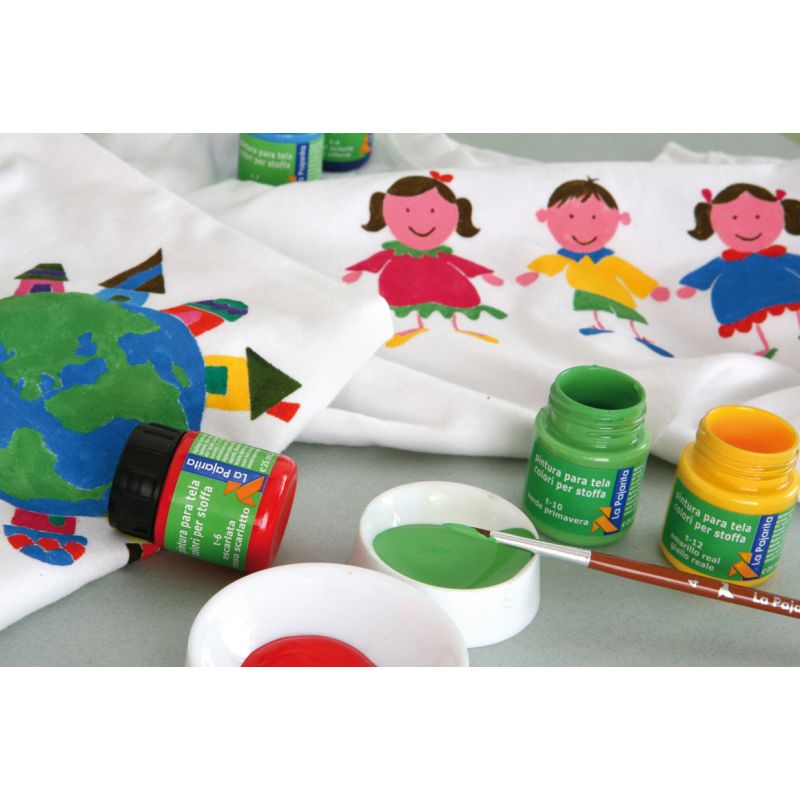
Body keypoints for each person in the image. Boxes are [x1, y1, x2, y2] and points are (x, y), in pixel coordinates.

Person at [343, 172, 505, 347]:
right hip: (404, 282)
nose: (421, 221)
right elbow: (378, 259)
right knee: (409, 303)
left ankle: (458, 327)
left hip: (444, 281)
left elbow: (461, 263)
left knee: (454, 300)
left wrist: (484, 274)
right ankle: (414, 327)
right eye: (407, 211)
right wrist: (358, 271)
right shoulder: (396, 252)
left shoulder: (439, 254)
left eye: (433, 211)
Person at [517, 177, 672, 357]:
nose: (583, 228)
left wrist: (651, 289)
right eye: (571, 217)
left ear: (618, 218)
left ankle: (637, 338)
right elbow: (548, 264)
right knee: (588, 314)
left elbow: (630, 274)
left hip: (616, 298)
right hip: (581, 300)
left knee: (624, 321)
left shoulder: (608, 261)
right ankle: (598, 330)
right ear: (546, 216)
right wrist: (533, 274)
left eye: (594, 218)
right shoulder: (564, 259)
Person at [678, 184, 800, 358]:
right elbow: (708, 272)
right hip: (742, 296)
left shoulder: (777, 255)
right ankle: (764, 346)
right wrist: (691, 286)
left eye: (758, 216)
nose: (748, 226)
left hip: (782, 289)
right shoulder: (727, 260)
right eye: (734, 217)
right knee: (756, 323)